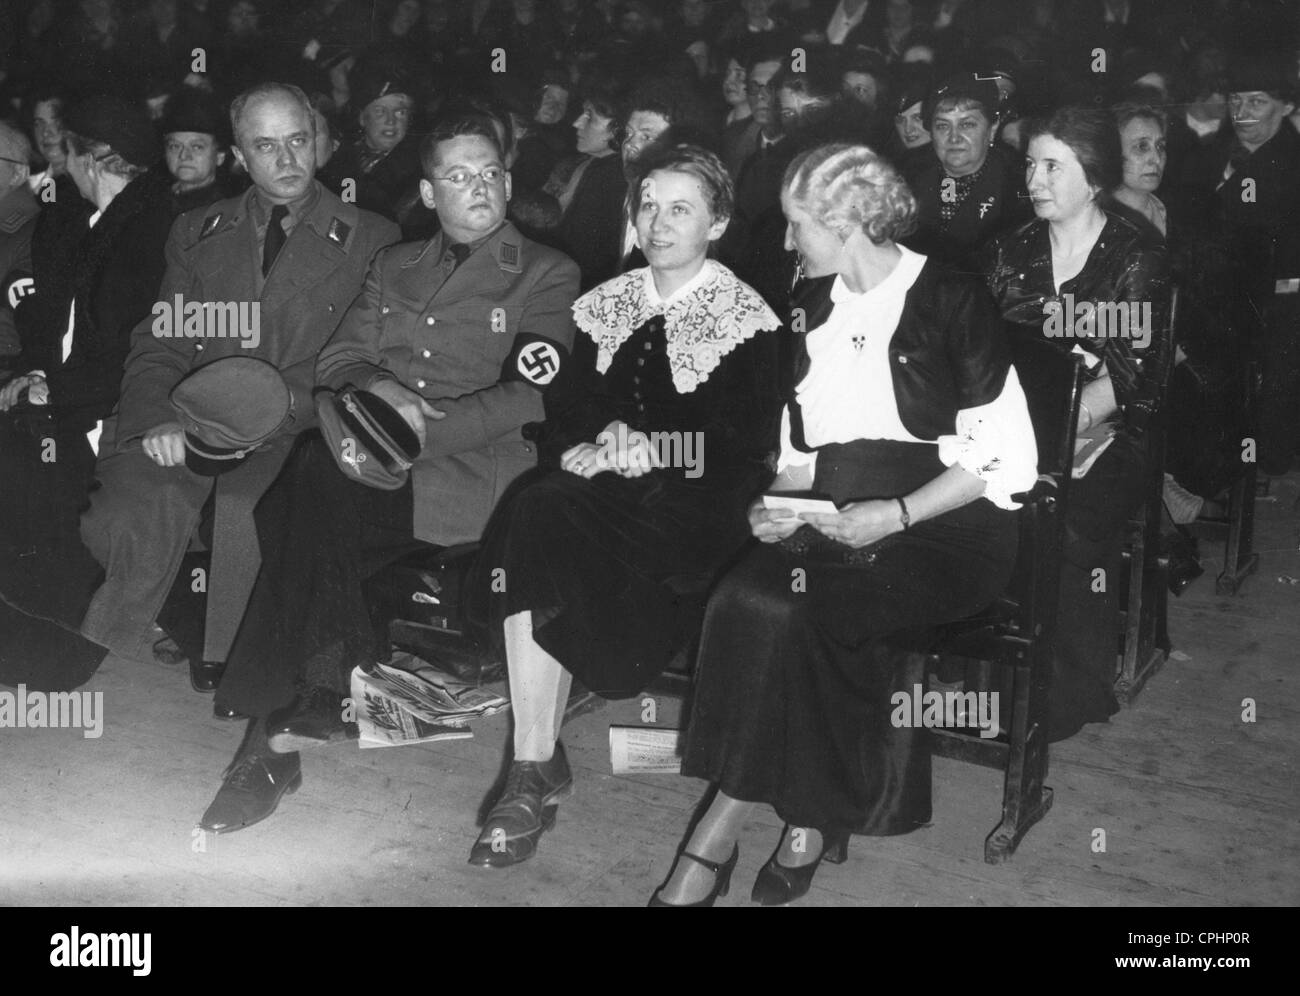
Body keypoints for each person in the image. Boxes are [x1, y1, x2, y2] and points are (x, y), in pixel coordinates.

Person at [650, 142, 1037, 906]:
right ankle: (809, 809)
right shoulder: (808, 302)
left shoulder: (952, 297)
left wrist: (894, 514)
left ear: (849, 223)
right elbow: (800, 451)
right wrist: (775, 501)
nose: (789, 243)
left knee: (807, 614)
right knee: (745, 599)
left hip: (945, 525)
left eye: (800, 226)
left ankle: (717, 839)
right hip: (835, 514)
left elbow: (1006, 457)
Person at [198, 114, 579, 834]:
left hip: (470, 480)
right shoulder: (393, 264)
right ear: (430, 194)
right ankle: (302, 711)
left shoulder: (546, 271)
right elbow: (338, 362)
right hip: (372, 466)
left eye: (491, 171)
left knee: (304, 497)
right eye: (459, 176)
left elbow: (529, 393)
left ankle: (276, 740)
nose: (481, 187)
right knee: (311, 486)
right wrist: (380, 389)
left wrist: (412, 428)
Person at [464, 143, 781, 868]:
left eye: (680, 209)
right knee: (540, 507)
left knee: (542, 514)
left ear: (718, 222)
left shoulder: (747, 317)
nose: (658, 222)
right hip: (603, 492)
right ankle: (530, 763)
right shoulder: (610, 298)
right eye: (648, 205)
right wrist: (597, 437)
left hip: (697, 512)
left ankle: (535, 766)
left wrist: (655, 450)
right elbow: (565, 408)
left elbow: (744, 450)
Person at [77, 82, 399, 675]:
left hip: (293, 423)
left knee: (247, 505)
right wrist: (157, 416)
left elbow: (359, 359)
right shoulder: (197, 231)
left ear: (319, 144)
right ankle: (163, 619)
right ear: (240, 156)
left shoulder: (372, 238)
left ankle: (230, 660)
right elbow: (163, 338)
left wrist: (272, 410)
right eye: (266, 146)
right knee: (129, 504)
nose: (286, 160)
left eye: (298, 141)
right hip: (194, 412)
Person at [983, 105, 1171, 741]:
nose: (1034, 178)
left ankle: (1069, 690)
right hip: (1023, 422)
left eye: (1052, 166)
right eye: (1031, 164)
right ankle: (994, 676)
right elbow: (985, 354)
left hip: (1114, 429)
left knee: (1066, 516)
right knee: (979, 504)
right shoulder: (1012, 250)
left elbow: (1131, 378)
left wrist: (1057, 425)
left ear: (1092, 177)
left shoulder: (1133, 257)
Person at [906, 72, 1030, 269]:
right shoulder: (905, 181)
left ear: (992, 129)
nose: (954, 138)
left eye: (967, 124)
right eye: (942, 126)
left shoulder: (1019, 190)